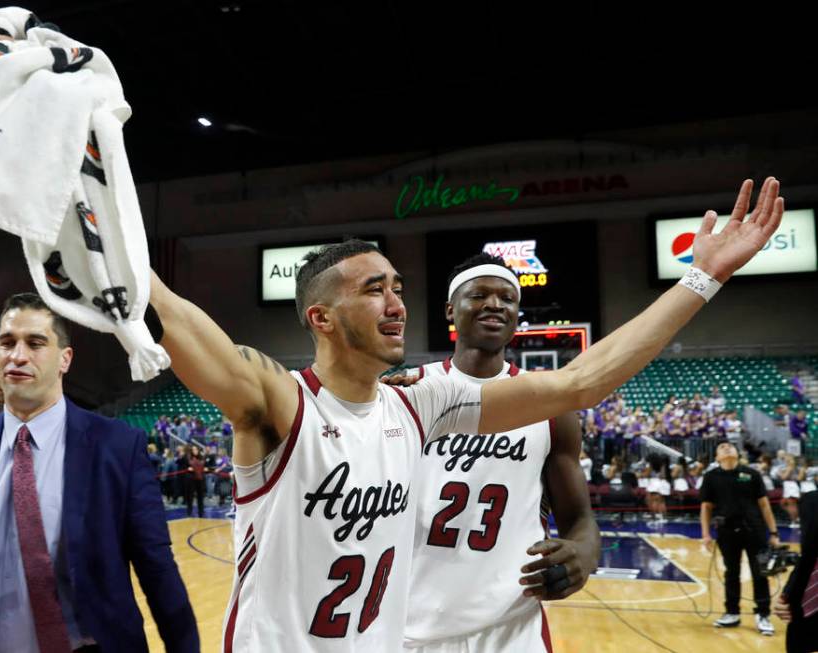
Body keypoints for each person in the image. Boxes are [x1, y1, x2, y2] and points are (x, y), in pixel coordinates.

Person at [141, 170, 783, 649]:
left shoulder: (420, 404)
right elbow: (187, 329)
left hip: (454, 628)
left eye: (398, 287)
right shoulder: (281, 402)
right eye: (374, 290)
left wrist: (703, 278)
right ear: (322, 318)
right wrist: (97, 232)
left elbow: (583, 380)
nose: (397, 303)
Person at [0, 292, 198, 652]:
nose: (18, 355)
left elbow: (157, 567)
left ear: (64, 359)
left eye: (35, 343)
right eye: (7, 343)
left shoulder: (117, 447)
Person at [391, 254, 600, 651]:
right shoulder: (406, 392)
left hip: (510, 626)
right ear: (451, 310)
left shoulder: (550, 404)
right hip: (407, 624)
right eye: (479, 295)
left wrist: (582, 554)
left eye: (507, 298)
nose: (495, 304)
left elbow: (580, 518)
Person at [701, 441, 780, 635]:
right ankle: (732, 613)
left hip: (755, 531)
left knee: (760, 573)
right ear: (717, 457)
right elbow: (706, 507)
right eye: (721, 447)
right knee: (731, 572)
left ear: (737, 453)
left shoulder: (752, 474)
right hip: (727, 532)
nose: (726, 447)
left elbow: (764, 505)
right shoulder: (711, 477)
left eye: (730, 446)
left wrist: (774, 533)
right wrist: (705, 534)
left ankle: (763, 615)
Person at [774, 488, 818, 651]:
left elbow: (809, 554)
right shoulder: (812, 500)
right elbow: (808, 555)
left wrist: (789, 596)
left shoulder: (811, 500)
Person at [185, 444, 207, 517]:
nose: (195, 451)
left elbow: (207, 467)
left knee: (200, 496)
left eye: (196, 449)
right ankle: (189, 511)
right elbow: (183, 467)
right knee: (190, 496)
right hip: (191, 479)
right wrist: (188, 469)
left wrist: (207, 469)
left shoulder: (202, 458)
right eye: (193, 450)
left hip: (200, 479)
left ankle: (201, 511)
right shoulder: (188, 458)